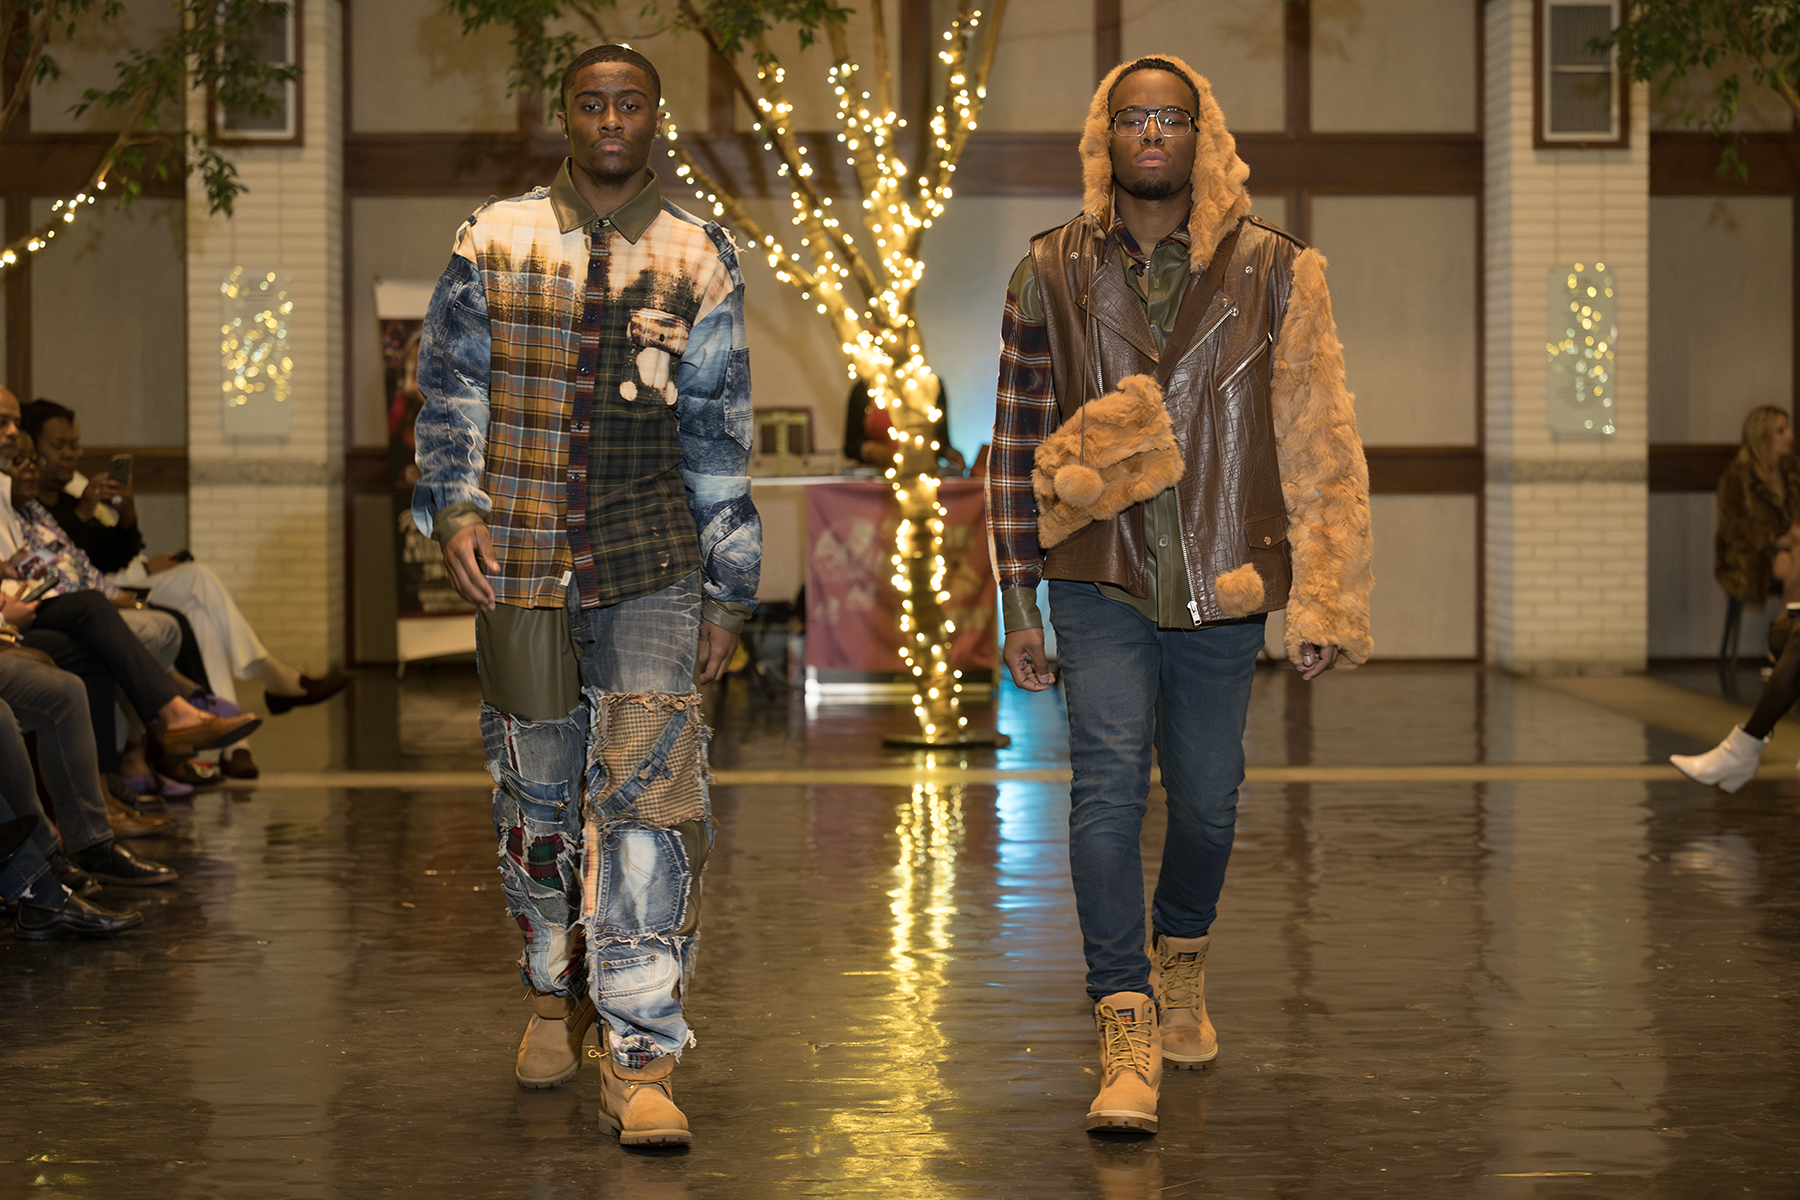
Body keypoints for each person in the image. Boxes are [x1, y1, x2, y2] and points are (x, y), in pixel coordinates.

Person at [987, 56, 1373, 1135]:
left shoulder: (1277, 269)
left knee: (1206, 801)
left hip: (1223, 575)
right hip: (1096, 571)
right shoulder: (1047, 271)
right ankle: (1124, 1016)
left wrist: (1325, 596)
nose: (1151, 133)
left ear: (1204, 137)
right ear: (1102, 137)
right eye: (1132, 118)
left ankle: (1182, 953)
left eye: (1171, 118)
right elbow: (1013, 443)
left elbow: (1318, 436)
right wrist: (1019, 600)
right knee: (1106, 791)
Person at [411, 44, 760, 1147]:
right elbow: (450, 390)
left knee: (651, 806)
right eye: (591, 102)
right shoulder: (495, 235)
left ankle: (641, 1052)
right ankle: (548, 993)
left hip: (651, 561)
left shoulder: (698, 253)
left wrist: (730, 590)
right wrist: (454, 511)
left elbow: (718, 433)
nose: (612, 118)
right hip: (516, 561)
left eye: (631, 102)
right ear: (564, 116)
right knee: (538, 799)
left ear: (656, 118)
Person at [19, 395, 348, 779]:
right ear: (32, 449)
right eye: (58, 445)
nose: (69, 454)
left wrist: (127, 514)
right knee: (194, 588)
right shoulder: (36, 506)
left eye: (75, 444)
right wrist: (92, 520)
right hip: (91, 592)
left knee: (200, 599)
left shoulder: (71, 497)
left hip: (108, 582)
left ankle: (233, 740)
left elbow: (112, 553)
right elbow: (59, 562)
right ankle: (269, 688)